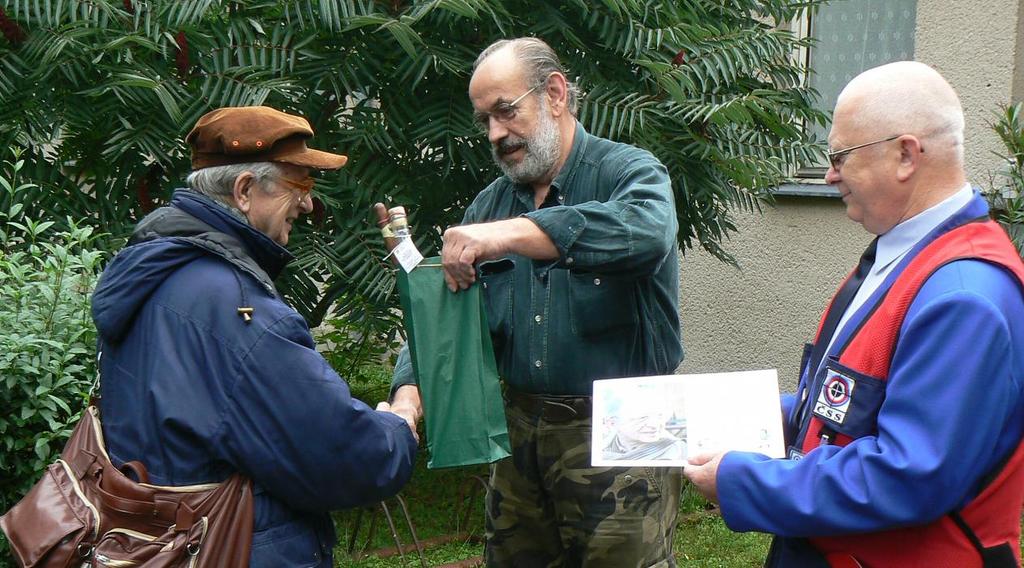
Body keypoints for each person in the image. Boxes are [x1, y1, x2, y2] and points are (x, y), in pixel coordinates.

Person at [684, 61, 1024, 567]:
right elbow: (849, 404)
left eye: (841, 156)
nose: (829, 174)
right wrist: (743, 417)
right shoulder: (909, 254)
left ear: (906, 154)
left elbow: (907, 475)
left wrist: (741, 481)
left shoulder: (963, 296)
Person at [389, 37, 684, 567]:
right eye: (485, 122)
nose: (497, 134)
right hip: (520, 428)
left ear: (554, 94)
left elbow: (647, 234)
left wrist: (512, 235)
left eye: (506, 112)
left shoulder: (630, 173)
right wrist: (408, 397)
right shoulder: (492, 202)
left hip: (631, 427)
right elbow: (449, 319)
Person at [91, 106, 419, 567]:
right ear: (245, 190)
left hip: (162, 545)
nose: (308, 203)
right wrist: (399, 425)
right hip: (235, 547)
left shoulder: (151, 274)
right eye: (299, 183)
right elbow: (340, 455)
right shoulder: (234, 307)